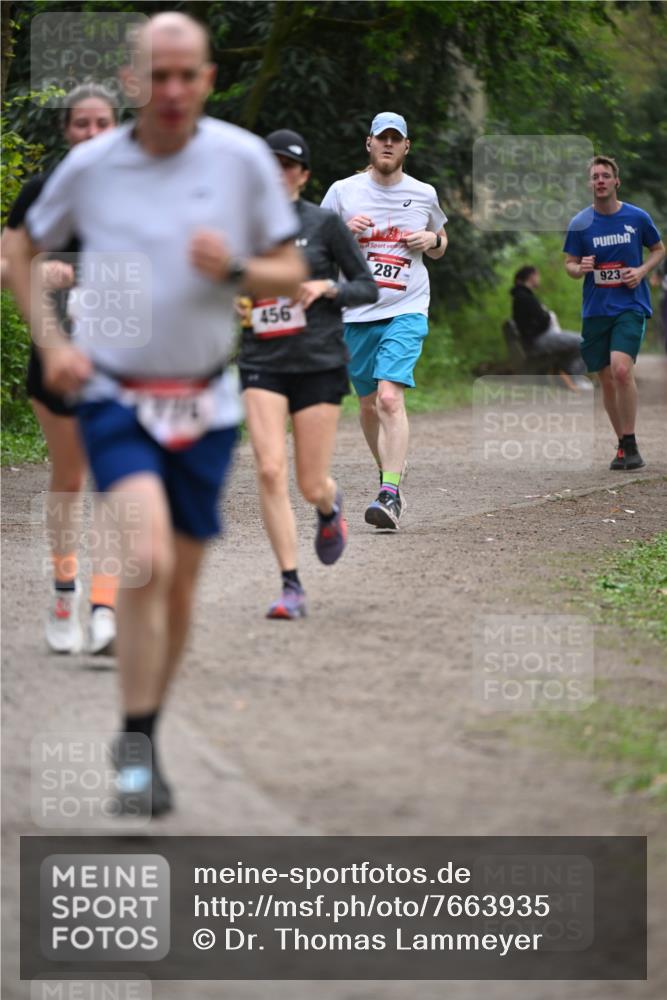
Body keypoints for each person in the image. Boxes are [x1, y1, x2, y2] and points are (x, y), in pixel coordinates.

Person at [6, 12, 306, 815]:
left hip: (203, 400)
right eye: (158, 75)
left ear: (207, 79)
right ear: (136, 81)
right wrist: (52, 341)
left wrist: (238, 265)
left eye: (188, 75)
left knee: (177, 590)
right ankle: (136, 750)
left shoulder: (240, 161)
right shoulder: (94, 166)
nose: (172, 90)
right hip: (114, 393)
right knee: (146, 555)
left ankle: (142, 731)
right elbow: (19, 248)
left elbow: (288, 271)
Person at [238, 129, 378, 620]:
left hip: (318, 363)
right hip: (262, 362)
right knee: (270, 468)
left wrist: (325, 287)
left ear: (303, 175)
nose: (279, 173)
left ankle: (327, 504)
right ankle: (290, 585)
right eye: (270, 164)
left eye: (288, 165)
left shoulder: (324, 224)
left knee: (309, 481)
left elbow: (367, 288)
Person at [3, 84, 119, 654]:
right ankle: (63, 589)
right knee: (71, 479)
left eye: (102, 123)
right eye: (81, 124)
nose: (92, 134)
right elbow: (7, 264)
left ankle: (104, 608)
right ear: (66, 131)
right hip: (56, 358)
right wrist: (40, 271)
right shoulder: (41, 193)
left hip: (122, 357)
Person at [321, 112, 447, 529]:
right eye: (382, 138)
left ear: (406, 146)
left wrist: (433, 240)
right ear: (369, 144)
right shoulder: (343, 192)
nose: (389, 145)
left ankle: (389, 495)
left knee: (390, 398)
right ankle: (389, 473)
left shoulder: (424, 193)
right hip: (356, 312)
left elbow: (441, 241)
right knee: (369, 404)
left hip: (407, 308)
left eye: (397, 139)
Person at [564, 155, 664, 470]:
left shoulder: (637, 218)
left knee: (621, 370)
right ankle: (622, 444)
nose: (601, 181)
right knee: (606, 378)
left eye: (606, 175)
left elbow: (659, 249)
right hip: (596, 309)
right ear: (590, 183)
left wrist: (642, 270)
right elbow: (569, 264)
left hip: (630, 304)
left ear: (616, 181)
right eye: (595, 177)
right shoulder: (580, 224)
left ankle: (631, 442)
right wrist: (580, 268)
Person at [510, 265, 591, 390]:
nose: (539, 279)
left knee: (577, 343)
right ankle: (573, 378)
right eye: (537, 276)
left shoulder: (522, 296)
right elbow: (540, 320)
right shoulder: (524, 297)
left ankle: (565, 376)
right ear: (531, 276)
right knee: (584, 342)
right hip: (538, 340)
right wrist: (548, 317)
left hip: (535, 339)